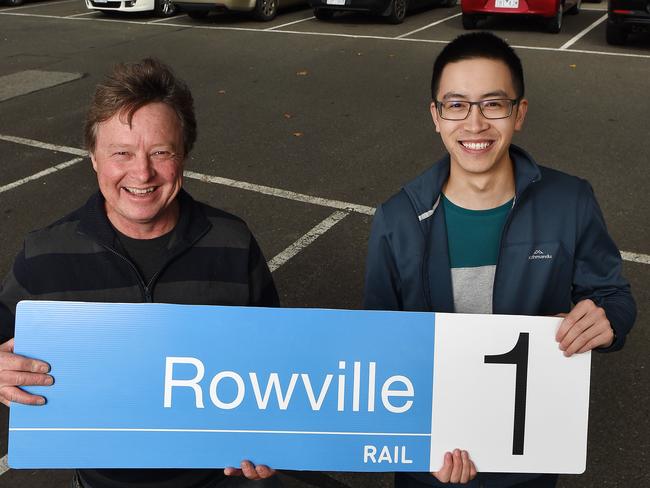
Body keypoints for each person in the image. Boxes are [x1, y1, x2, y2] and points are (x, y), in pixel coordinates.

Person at [363, 32, 636, 488]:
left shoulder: (570, 202)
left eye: (493, 104)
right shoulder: (397, 220)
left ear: (519, 113)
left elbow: (613, 296)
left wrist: (608, 321)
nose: (474, 123)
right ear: (436, 115)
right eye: (456, 105)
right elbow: (378, 346)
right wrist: (412, 444)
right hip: (429, 465)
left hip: (528, 464)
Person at [0, 58, 280, 488]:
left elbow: (279, 362)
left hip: (221, 479)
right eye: (121, 153)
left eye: (161, 152)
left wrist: (274, 438)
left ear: (183, 154)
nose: (142, 172)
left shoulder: (234, 243)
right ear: (93, 157)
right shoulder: (45, 253)